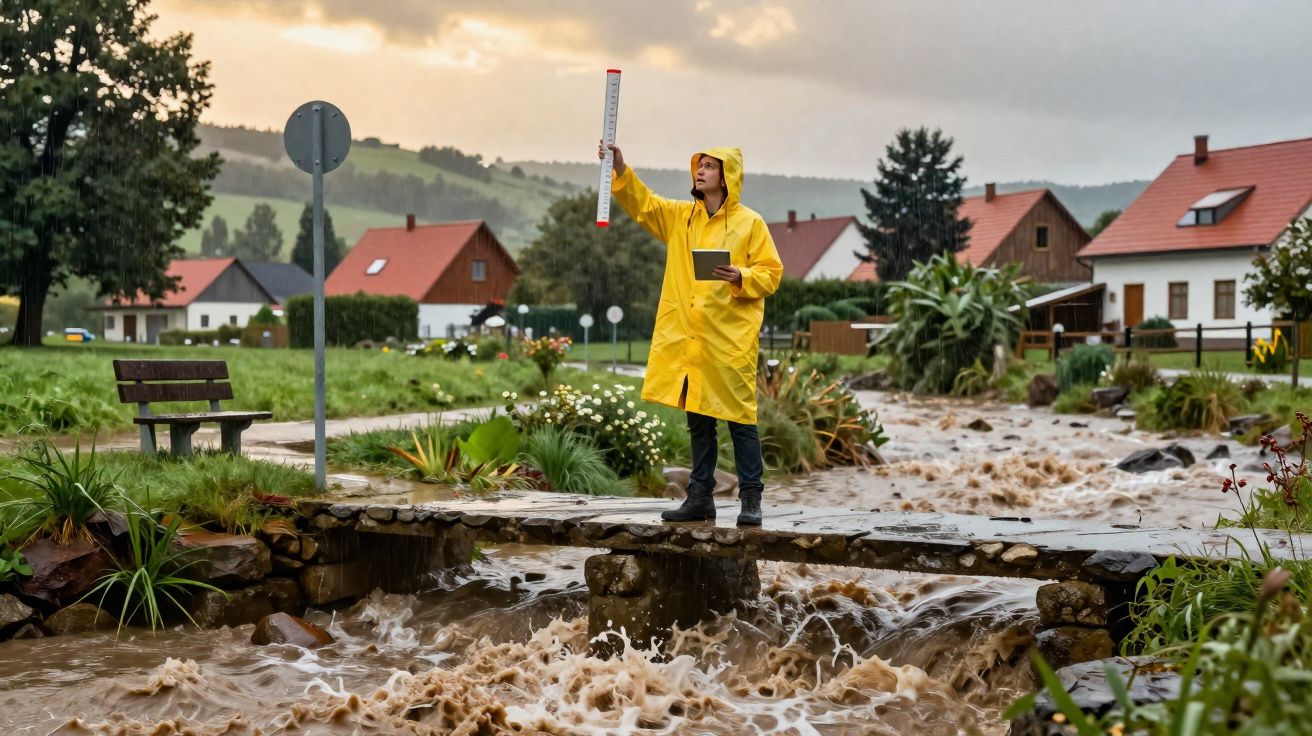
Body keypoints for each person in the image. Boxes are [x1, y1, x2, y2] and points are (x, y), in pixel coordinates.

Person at [598, 140, 783, 526]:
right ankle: (700, 498)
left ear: (727, 176)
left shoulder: (751, 223)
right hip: (690, 338)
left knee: (741, 422)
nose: (700, 171)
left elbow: (771, 272)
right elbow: (644, 204)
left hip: (729, 339)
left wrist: (742, 276)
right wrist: (620, 168)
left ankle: (751, 501)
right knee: (699, 422)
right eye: (699, 165)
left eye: (710, 166)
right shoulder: (681, 218)